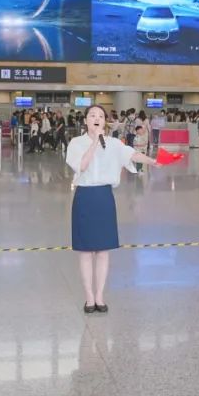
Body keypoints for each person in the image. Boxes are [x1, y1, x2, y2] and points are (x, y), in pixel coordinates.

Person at [65, 105, 161, 313]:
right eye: (92, 115)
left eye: (100, 116)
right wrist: (94, 142)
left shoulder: (114, 143)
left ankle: (100, 295)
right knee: (85, 250)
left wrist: (153, 161)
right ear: (86, 120)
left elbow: (132, 155)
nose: (97, 118)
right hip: (84, 196)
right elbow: (82, 166)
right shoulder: (76, 143)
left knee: (103, 250)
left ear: (105, 121)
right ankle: (89, 297)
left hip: (104, 197)